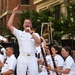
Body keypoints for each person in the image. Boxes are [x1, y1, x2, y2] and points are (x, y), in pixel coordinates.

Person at [7, 5, 41, 75]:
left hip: (32, 57)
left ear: (31, 25)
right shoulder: (19, 33)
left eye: (29, 23)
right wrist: (13, 13)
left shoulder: (35, 34)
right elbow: (9, 25)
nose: (27, 24)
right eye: (25, 23)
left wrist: (31, 32)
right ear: (23, 25)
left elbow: (38, 42)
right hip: (22, 57)